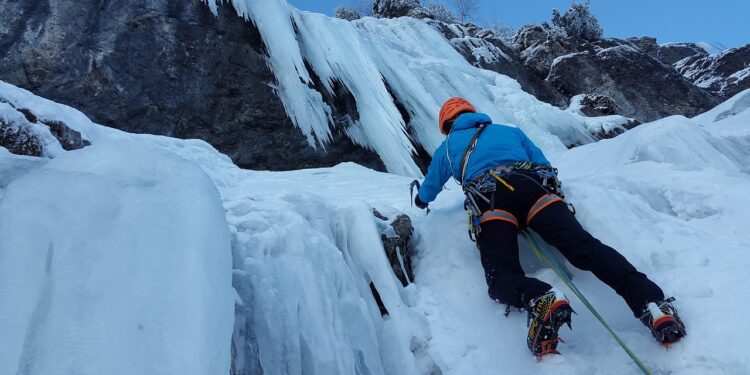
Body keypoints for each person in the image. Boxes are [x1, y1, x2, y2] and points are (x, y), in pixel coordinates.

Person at [414, 97, 686, 356]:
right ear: (475, 114)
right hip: (536, 191)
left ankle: (540, 297)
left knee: (501, 277)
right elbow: (542, 163)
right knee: (587, 249)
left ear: (447, 124)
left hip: (492, 201)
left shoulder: (448, 146)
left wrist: (420, 199)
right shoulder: (510, 132)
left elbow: (431, 187)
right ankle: (651, 303)